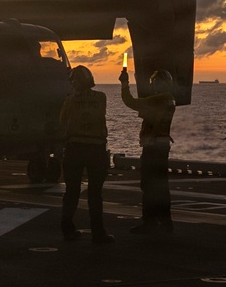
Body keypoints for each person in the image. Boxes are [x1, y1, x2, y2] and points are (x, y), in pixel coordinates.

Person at [58, 65, 114, 244]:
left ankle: (67, 230)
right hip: (96, 149)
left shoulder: (70, 100)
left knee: (71, 192)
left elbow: (62, 120)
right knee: (95, 194)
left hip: (75, 149)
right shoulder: (101, 97)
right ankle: (98, 233)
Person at [119, 68, 176, 233]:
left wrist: (124, 83)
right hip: (162, 146)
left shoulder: (159, 99)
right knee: (161, 186)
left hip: (153, 148)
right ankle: (165, 222)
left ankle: (150, 221)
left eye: (154, 82)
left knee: (149, 185)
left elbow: (130, 102)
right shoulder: (168, 99)